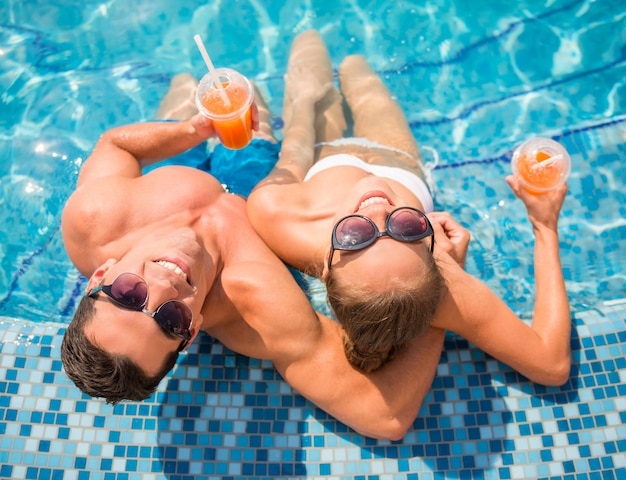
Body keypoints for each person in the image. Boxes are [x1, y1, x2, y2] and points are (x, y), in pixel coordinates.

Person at [59, 63, 451, 441]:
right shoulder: (259, 306)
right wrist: (438, 294)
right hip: (248, 188)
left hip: (169, 170)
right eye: (169, 318)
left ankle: (182, 89)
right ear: (191, 332)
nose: (165, 286)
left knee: (192, 89)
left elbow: (115, 145)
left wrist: (190, 131)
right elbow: (386, 418)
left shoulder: (95, 219)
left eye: (130, 294)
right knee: (256, 113)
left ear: (101, 276)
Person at [247, 30, 572, 383]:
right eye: (407, 229)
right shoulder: (441, 281)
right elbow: (552, 365)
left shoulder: (277, 214)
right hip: (397, 155)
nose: (378, 210)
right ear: (432, 252)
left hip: (326, 148)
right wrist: (544, 227)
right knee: (357, 69)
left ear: (328, 263)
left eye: (355, 235)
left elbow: (294, 150)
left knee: (308, 47)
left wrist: (305, 102)